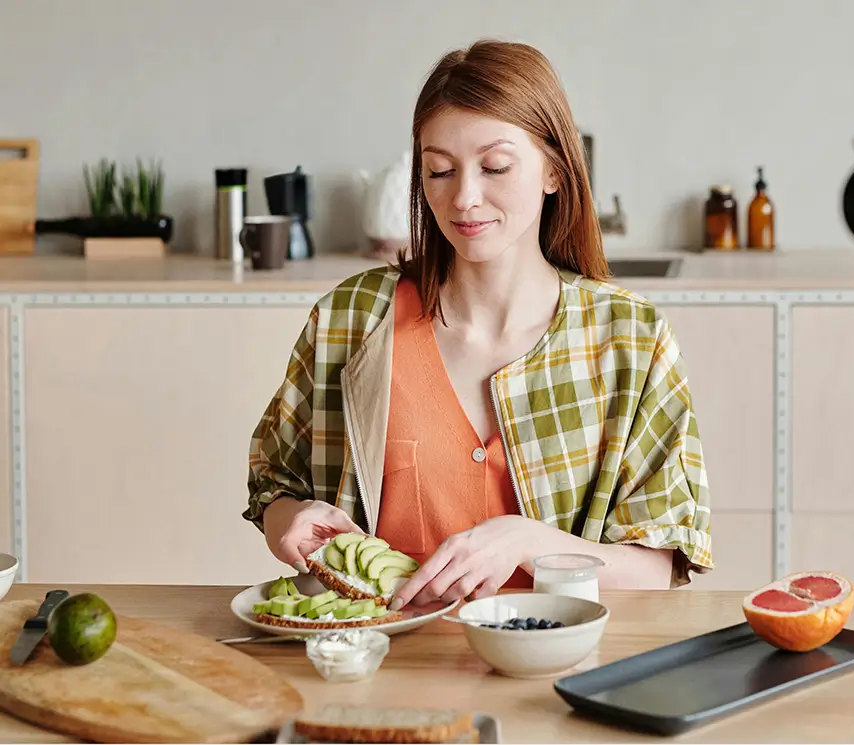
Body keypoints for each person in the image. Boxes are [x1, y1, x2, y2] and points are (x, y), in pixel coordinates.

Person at [243, 39, 713, 609]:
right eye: (439, 171)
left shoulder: (630, 337)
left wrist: (528, 542)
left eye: (494, 167)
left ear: (554, 172)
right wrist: (290, 521)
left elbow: (661, 565)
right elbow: (275, 487)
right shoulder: (351, 319)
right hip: (378, 668)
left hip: (555, 670)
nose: (464, 197)